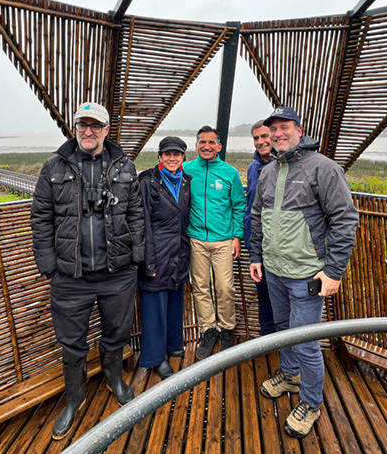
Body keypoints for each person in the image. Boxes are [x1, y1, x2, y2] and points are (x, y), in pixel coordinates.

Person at [30, 102, 144, 440]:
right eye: (83, 125)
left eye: (96, 125)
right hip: (71, 276)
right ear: (74, 128)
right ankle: (75, 398)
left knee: (116, 332)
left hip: (117, 273)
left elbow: (136, 213)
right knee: (71, 342)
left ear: (107, 130)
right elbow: (41, 218)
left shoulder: (124, 167)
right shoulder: (53, 167)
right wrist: (49, 265)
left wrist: (135, 257)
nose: (88, 131)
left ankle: (113, 379)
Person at [249, 106, 358, 439]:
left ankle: (311, 403)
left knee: (306, 341)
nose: (278, 133)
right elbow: (257, 216)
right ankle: (290, 374)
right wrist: (256, 256)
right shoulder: (268, 171)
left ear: (299, 129)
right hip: (274, 270)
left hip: (307, 274)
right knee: (283, 329)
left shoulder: (323, 168)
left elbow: (345, 220)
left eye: (284, 127)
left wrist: (334, 272)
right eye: (273, 129)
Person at [185, 125, 246, 360]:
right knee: (200, 287)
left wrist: (237, 236)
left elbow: (239, 206)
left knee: (225, 287)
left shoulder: (229, 173)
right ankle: (208, 330)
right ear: (197, 145)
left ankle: (227, 328)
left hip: (223, 241)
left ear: (219, 146)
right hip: (196, 239)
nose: (207, 146)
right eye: (202, 142)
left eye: (211, 142)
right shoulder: (186, 169)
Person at [137, 136, 192, 379]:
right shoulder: (147, 182)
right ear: (159, 157)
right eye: (167, 154)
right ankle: (155, 357)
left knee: (173, 300)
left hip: (178, 252)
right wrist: (147, 260)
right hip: (156, 252)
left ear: (183, 158)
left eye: (177, 154)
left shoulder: (186, 182)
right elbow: (142, 223)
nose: (172, 158)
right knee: (154, 305)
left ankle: (172, 345)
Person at [243, 120, 276, 336]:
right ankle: (267, 339)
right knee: (263, 295)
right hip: (257, 242)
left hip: (279, 242)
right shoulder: (253, 168)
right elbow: (250, 204)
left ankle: (286, 343)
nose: (260, 142)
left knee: (283, 295)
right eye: (256, 138)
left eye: (264, 136)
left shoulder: (284, 165)